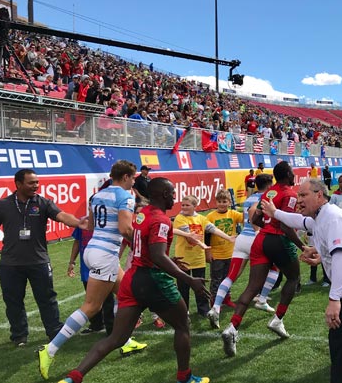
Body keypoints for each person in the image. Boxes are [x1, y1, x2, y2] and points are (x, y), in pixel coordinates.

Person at [57, 177, 212, 383]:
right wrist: (187, 279)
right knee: (182, 326)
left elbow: (147, 249)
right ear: (164, 195)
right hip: (154, 280)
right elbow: (157, 255)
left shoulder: (141, 215)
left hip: (132, 279)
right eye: (173, 193)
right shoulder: (162, 220)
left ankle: (73, 377)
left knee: (116, 338)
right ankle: (185, 377)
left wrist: (168, 260)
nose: (175, 197)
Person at [261, 178, 342, 383]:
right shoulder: (319, 217)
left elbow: (341, 257)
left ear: (319, 196)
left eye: (303, 195)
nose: (298, 200)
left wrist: (334, 299)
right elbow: (298, 221)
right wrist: (274, 212)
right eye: (298, 195)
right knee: (339, 347)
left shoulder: (333, 217)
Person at [38, 160, 145, 380]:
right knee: (91, 306)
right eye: (133, 178)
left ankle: (125, 340)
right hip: (105, 255)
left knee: (127, 294)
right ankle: (50, 350)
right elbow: (125, 228)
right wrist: (143, 246)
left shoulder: (98, 195)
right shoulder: (126, 196)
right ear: (125, 177)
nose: (135, 181)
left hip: (95, 249)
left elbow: (92, 226)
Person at [0, 169, 89, 347]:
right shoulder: (3, 205)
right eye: (31, 183)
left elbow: (61, 216)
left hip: (39, 261)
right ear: (19, 184)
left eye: (37, 182)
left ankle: (54, 331)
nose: (36, 186)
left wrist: (78, 222)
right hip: (10, 264)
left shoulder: (43, 203)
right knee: (13, 301)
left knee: (47, 298)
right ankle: (19, 336)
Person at [221, 161, 305, 357]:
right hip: (278, 239)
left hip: (260, 240)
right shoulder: (290, 194)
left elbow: (255, 220)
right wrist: (303, 246)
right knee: (294, 278)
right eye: (292, 173)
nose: (294, 176)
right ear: (286, 175)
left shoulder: (268, 193)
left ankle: (232, 328)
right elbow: (285, 226)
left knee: (252, 287)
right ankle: (278, 319)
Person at [207, 174, 278, 329]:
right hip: (255, 239)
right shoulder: (267, 198)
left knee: (231, 276)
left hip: (242, 240)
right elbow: (256, 215)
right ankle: (262, 299)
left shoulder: (248, 199)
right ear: (269, 185)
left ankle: (216, 307)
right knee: (275, 268)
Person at [173, 195, 236, 318]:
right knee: (183, 287)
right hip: (183, 259)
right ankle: (183, 311)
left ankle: (203, 309)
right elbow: (189, 236)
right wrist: (202, 245)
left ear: (194, 206)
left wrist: (228, 238)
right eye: (183, 205)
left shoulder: (201, 218)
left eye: (187, 205)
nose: (184, 207)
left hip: (198, 258)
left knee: (200, 286)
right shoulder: (179, 218)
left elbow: (213, 229)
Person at [68, 221, 115, 336]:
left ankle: (112, 330)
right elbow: (77, 241)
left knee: (107, 299)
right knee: (91, 299)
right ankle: (96, 325)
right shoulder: (83, 222)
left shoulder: (106, 222)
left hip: (103, 266)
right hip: (86, 268)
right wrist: (72, 262)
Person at [205, 190, 245, 312]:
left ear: (229, 202)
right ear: (215, 202)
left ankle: (226, 298)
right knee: (216, 279)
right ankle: (214, 301)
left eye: (224, 201)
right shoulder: (210, 216)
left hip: (231, 253)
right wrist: (208, 252)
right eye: (219, 201)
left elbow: (246, 218)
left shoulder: (233, 214)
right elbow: (206, 237)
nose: (222, 204)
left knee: (228, 278)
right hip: (217, 255)